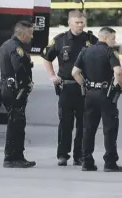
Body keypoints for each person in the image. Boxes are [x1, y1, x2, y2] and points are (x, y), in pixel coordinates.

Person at [42, 10, 98, 166]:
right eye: (77, 23)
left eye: (82, 22)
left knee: (83, 124)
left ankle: (79, 155)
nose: (80, 25)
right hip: (66, 87)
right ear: (70, 23)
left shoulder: (91, 40)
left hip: (84, 88)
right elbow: (46, 57)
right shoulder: (60, 40)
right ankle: (62, 155)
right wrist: (52, 75)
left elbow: (102, 55)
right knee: (65, 123)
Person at [71, 27, 122, 172]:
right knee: (109, 129)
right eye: (113, 38)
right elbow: (118, 71)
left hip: (90, 94)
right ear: (106, 38)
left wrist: (85, 84)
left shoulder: (85, 51)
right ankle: (110, 162)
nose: (114, 41)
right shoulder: (110, 52)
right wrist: (120, 86)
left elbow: (75, 72)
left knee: (89, 128)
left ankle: (87, 161)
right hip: (106, 94)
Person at [0, 20, 36, 168]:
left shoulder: (6, 45)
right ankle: (12, 158)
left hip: (8, 88)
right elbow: (18, 68)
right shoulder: (16, 48)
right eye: (30, 33)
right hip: (15, 90)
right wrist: (28, 83)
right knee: (16, 124)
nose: (31, 37)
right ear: (23, 33)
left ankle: (16, 156)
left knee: (15, 122)